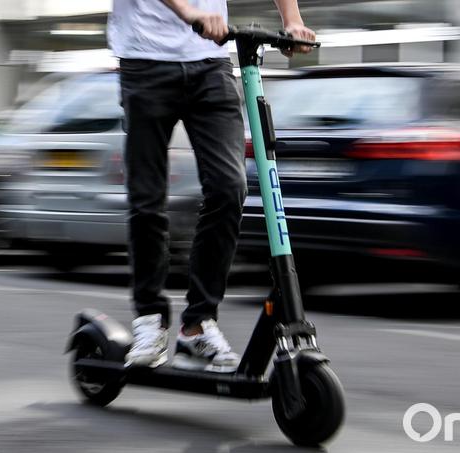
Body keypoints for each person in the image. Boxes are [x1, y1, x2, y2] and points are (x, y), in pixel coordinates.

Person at [108, 0, 315, 372]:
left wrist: (292, 21)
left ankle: (197, 325)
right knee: (148, 201)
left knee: (229, 187)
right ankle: (150, 321)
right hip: (145, 61)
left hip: (210, 63)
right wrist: (190, 12)